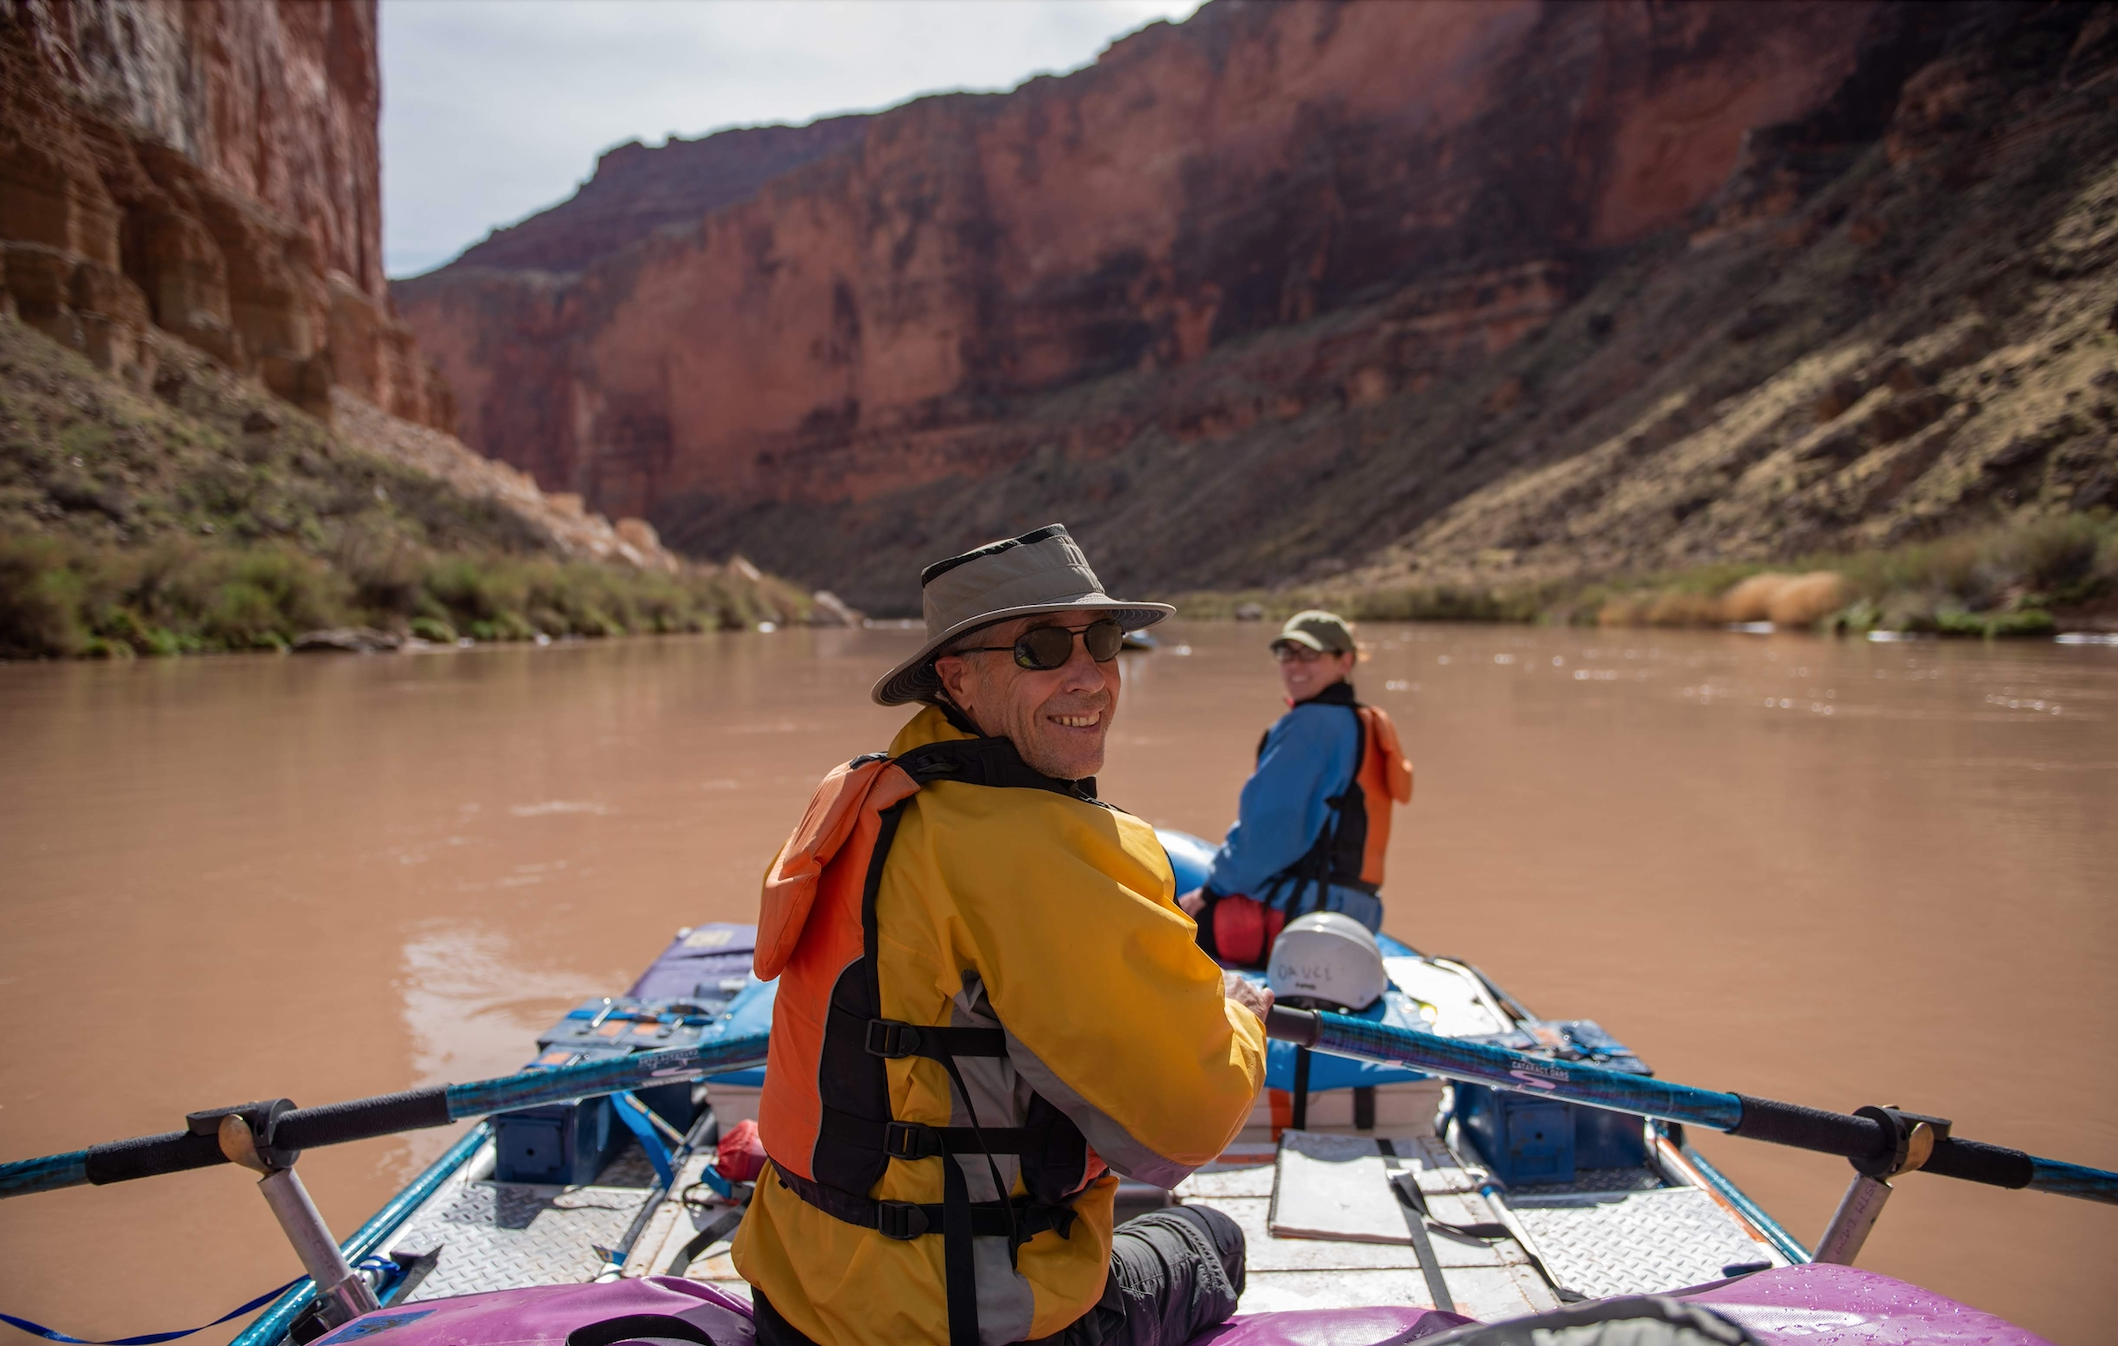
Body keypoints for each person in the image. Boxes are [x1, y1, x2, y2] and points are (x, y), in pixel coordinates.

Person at [734, 523, 1272, 1346]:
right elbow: (1181, 1129)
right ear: (958, 678)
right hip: (959, 1319)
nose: (1089, 673)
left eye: (1102, 639)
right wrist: (1242, 1020)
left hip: (799, 1294)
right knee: (1211, 1242)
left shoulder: (860, 795)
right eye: (1042, 648)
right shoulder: (1041, 852)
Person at [1178, 610, 1412, 968]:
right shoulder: (1363, 721)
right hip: (1357, 914)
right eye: (1287, 653)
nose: (1294, 665)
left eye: (1310, 655)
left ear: (1344, 661)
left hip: (1298, 917)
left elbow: (1267, 837)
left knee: (1168, 922)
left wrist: (1209, 892)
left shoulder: (1310, 726)